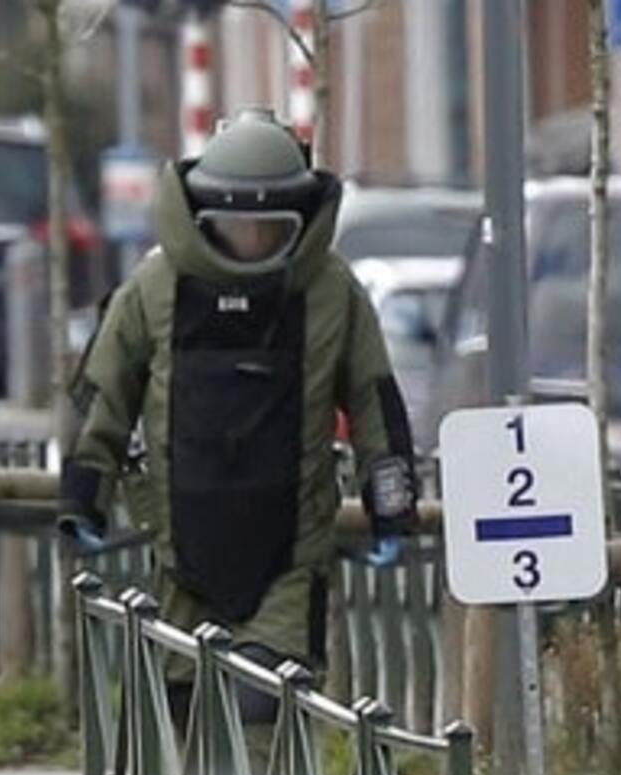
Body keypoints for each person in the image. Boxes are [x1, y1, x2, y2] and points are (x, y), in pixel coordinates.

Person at [58, 107, 417, 706]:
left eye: (268, 230)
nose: (249, 243)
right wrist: (81, 499)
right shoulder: (154, 288)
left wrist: (392, 508)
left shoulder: (331, 294)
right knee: (183, 707)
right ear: (202, 217)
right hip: (179, 553)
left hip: (290, 558)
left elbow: (374, 404)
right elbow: (104, 398)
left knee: (264, 713)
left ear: (298, 221)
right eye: (233, 228)